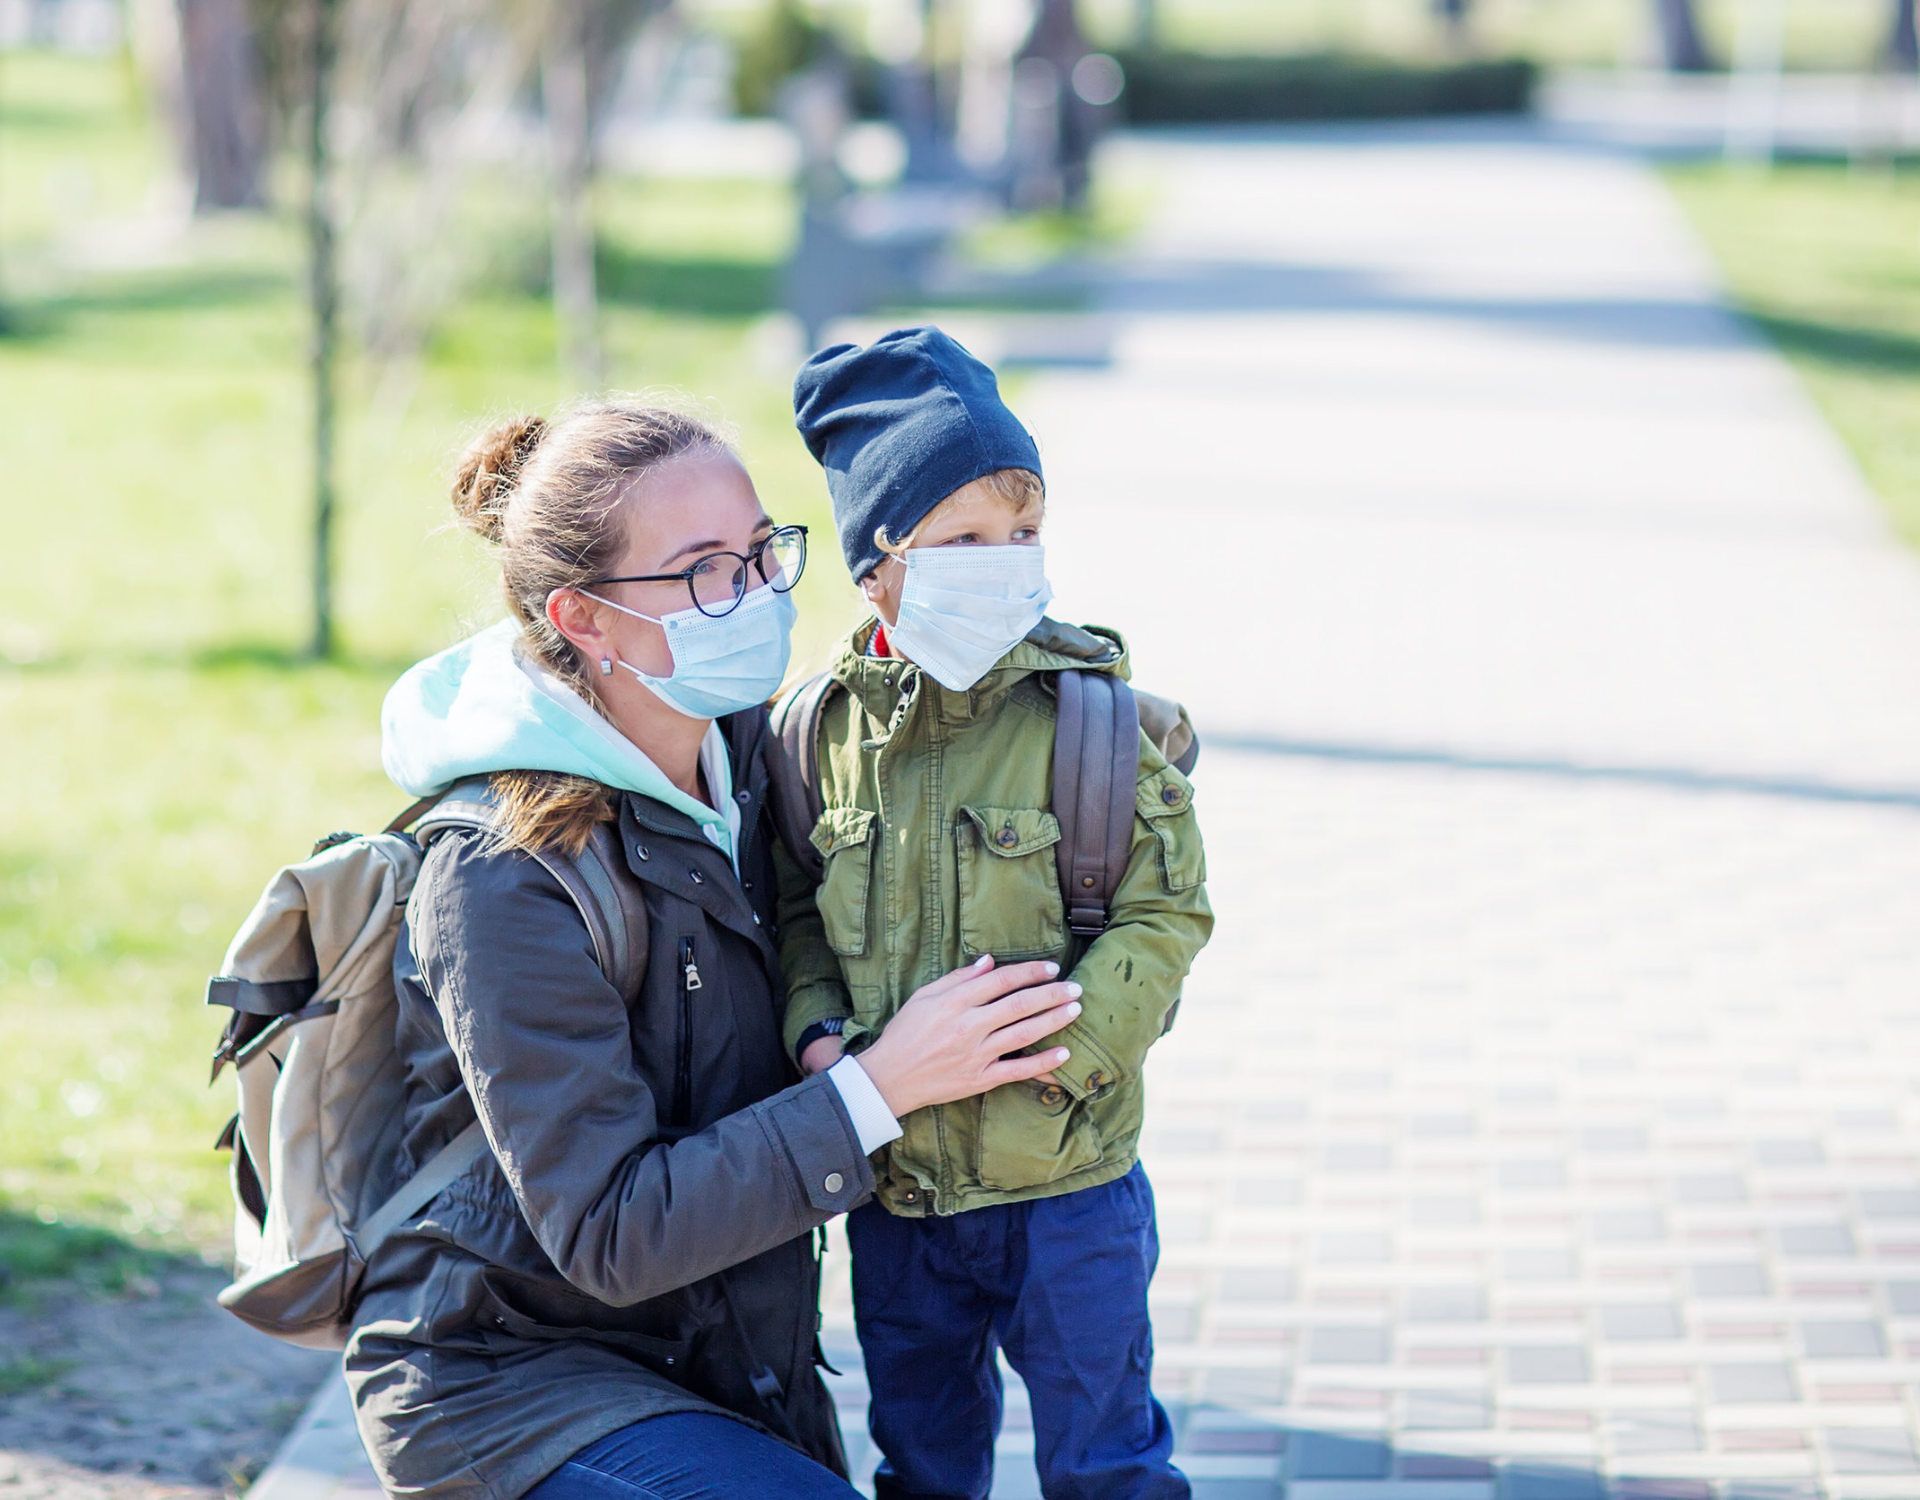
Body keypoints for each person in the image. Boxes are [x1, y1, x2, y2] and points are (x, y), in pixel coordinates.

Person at [348, 399, 1085, 1500]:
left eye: (759, 554)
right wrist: (880, 1088)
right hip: (513, 1386)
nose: (752, 597)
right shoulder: (503, 878)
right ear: (584, 619)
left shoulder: (758, 757)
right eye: (703, 572)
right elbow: (611, 1230)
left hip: (723, 1362)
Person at [778, 327, 1215, 1500]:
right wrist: (820, 1038)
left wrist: (1070, 1053)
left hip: (1068, 1184)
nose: (1005, 561)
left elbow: (1166, 912)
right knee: (921, 1466)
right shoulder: (818, 738)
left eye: (1022, 534)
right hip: (904, 1199)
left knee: (1108, 1466)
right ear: (878, 567)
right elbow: (793, 913)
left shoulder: (1094, 721)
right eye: (965, 538)